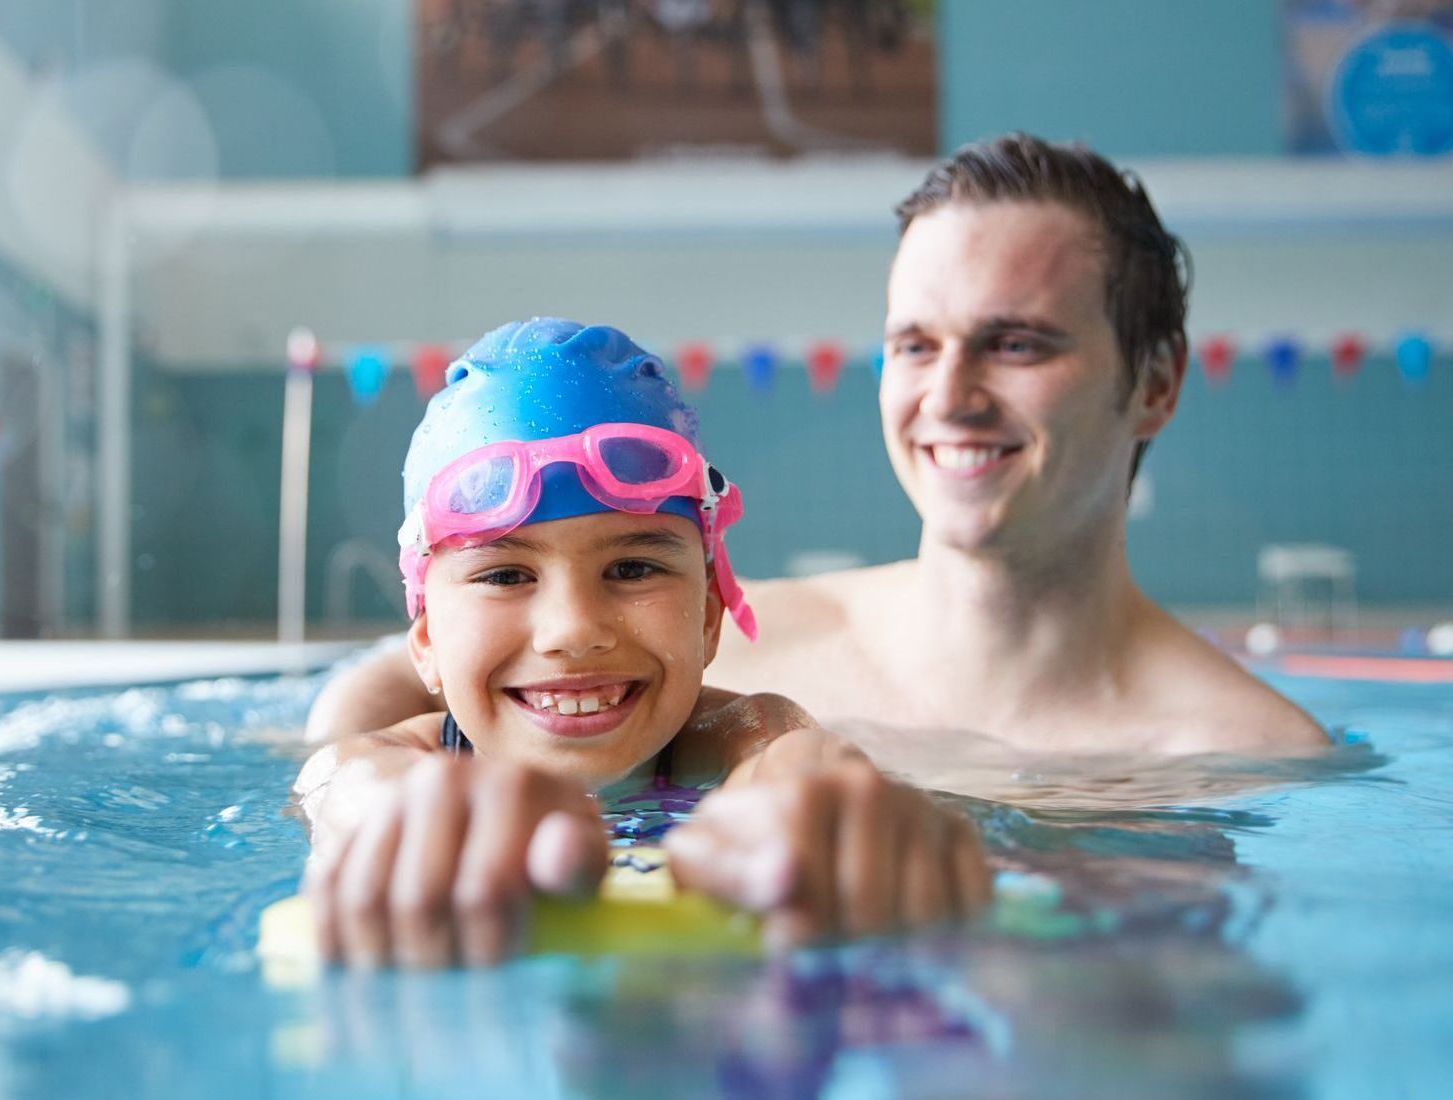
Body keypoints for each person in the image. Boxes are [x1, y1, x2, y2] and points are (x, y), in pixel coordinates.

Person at [307, 134, 1326, 764]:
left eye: (1015, 344)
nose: (950, 394)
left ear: (1155, 381)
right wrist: (351, 777)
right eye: (914, 345)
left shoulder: (1245, 749)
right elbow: (408, 675)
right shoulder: (740, 633)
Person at [297, 318, 990, 969]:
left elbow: (792, 765)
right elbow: (347, 783)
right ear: (425, 643)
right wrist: (402, 817)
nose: (573, 629)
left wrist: (824, 809)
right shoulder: (389, 756)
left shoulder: (736, 736)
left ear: (710, 616)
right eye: (505, 574)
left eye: (632, 568)